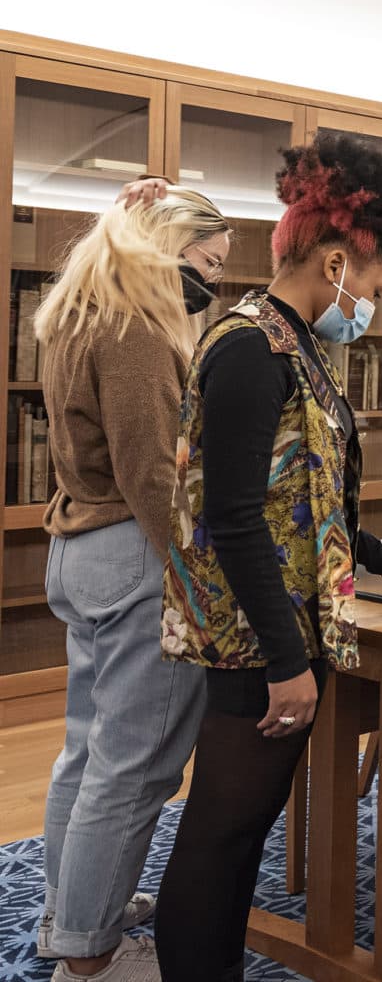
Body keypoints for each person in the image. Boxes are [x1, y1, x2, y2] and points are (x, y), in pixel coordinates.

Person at [154, 132, 382, 980]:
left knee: (237, 834)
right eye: (372, 285)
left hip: (286, 628)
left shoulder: (295, 346)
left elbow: (308, 497)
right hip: (261, 641)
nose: (371, 304)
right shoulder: (251, 348)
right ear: (334, 263)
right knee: (219, 836)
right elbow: (236, 517)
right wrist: (289, 665)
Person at [34, 183, 229, 982]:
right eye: (207, 264)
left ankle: (76, 912)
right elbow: (154, 475)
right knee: (137, 765)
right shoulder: (138, 329)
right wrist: (203, 585)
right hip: (137, 554)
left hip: (79, 547)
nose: (212, 285)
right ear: (164, 247)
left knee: (87, 753)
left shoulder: (77, 312)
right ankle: (93, 960)